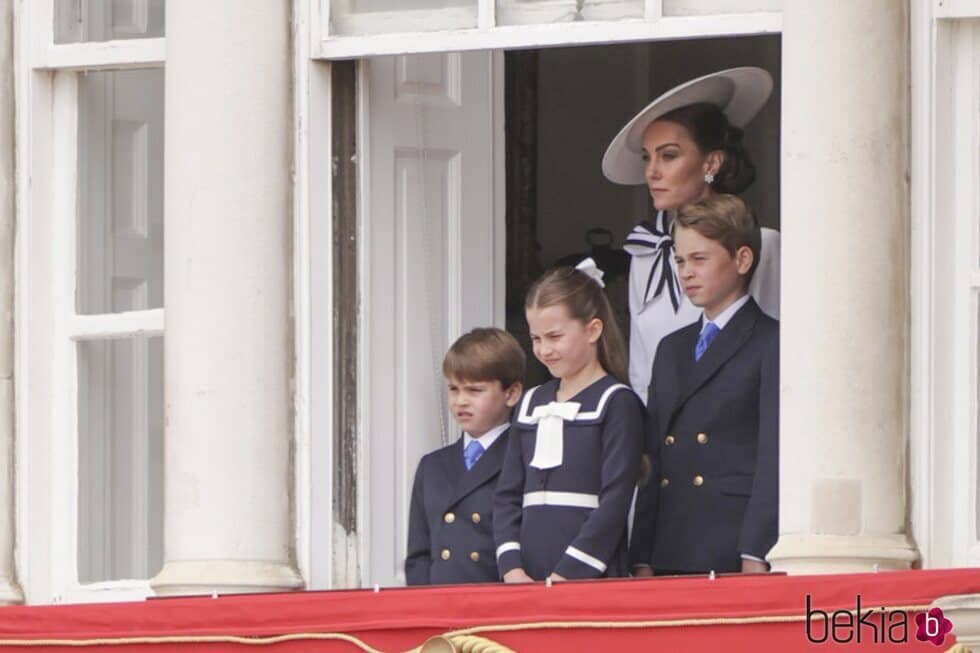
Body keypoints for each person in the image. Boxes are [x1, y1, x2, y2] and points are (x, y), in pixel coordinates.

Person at [602, 67, 781, 404]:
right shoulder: (646, 253)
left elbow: (775, 352)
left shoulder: (763, 244)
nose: (652, 171)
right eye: (647, 157)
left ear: (711, 163)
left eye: (668, 155)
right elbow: (643, 369)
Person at [629, 194, 779, 576]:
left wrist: (756, 550)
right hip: (670, 542)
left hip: (729, 543)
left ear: (742, 260)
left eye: (700, 259)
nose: (686, 273)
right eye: (679, 261)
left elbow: (772, 455)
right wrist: (641, 554)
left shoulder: (771, 341)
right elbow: (652, 458)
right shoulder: (671, 348)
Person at [494, 258, 644, 582]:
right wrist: (512, 568)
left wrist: (568, 575)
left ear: (593, 330)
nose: (544, 350)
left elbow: (615, 501)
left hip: (589, 575)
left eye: (554, 336)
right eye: (536, 339)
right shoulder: (531, 402)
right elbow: (507, 493)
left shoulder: (616, 402)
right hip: (526, 578)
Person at [405, 327, 526, 585]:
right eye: (454, 389)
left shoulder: (524, 458)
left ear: (512, 393)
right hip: (441, 608)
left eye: (474, 390)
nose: (460, 401)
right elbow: (419, 556)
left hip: (495, 607)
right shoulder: (432, 466)